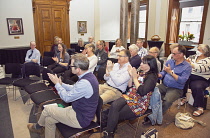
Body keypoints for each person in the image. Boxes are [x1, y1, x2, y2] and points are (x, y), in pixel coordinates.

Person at [27, 54, 99, 138]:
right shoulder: (88, 76)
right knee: (49, 120)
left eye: (71, 65)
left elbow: (66, 98)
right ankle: (40, 128)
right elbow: (74, 88)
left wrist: (57, 84)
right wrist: (61, 84)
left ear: (78, 69)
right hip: (79, 111)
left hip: (80, 118)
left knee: (47, 109)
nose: (69, 66)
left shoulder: (85, 83)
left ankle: (38, 127)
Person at [103, 55, 158, 138]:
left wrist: (135, 77)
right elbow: (130, 86)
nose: (141, 64)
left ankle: (109, 133)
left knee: (113, 113)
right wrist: (131, 76)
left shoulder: (152, 77)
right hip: (131, 96)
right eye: (141, 62)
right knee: (114, 106)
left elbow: (142, 92)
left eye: (143, 63)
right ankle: (109, 131)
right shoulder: (142, 72)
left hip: (140, 102)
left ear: (150, 65)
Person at [157, 45, 192, 113]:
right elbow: (164, 71)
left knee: (167, 101)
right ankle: (153, 112)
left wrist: (170, 72)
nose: (172, 55)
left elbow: (182, 81)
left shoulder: (187, 67)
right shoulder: (170, 61)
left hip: (176, 89)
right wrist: (160, 74)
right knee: (151, 93)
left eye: (174, 53)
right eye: (172, 53)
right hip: (164, 85)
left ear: (181, 54)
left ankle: (157, 116)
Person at [182, 44, 210, 116]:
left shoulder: (208, 60)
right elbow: (185, 62)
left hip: (201, 78)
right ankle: (183, 97)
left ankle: (200, 108)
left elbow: (201, 69)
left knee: (197, 87)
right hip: (190, 76)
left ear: (204, 51)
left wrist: (191, 64)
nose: (197, 51)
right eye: (197, 49)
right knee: (181, 80)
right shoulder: (193, 57)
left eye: (199, 50)